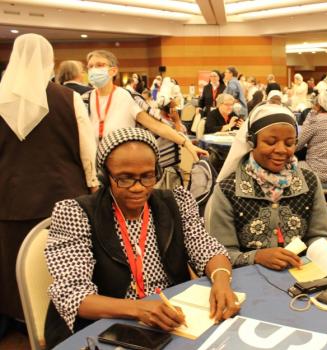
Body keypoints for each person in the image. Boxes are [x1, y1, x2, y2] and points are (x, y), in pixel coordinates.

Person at [44, 128, 239, 347]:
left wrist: (222, 280)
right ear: (104, 176)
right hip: (108, 325)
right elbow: (73, 294)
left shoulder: (177, 202)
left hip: (169, 318)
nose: (138, 188)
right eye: (125, 178)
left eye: (147, 176)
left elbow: (206, 247)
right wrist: (138, 308)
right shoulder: (76, 213)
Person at [0, 33, 96, 337]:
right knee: (65, 260)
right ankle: (65, 315)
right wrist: (93, 185)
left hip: (10, 200)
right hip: (64, 197)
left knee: (13, 264)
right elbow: (86, 149)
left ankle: (20, 318)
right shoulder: (67, 98)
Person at [207, 104, 327, 269]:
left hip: (301, 275)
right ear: (252, 142)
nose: (281, 150)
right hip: (249, 281)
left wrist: (323, 246)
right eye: (270, 142)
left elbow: (318, 235)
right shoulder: (228, 189)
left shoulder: (309, 181)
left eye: (289, 143)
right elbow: (219, 254)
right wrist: (256, 256)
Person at [84, 50, 206, 161]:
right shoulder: (83, 100)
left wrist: (187, 144)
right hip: (92, 163)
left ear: (113, 71)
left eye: (99, 65)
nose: (93, 69)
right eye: (90, 66)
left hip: (123, 163)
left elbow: (156, 126)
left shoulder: (127, 97)